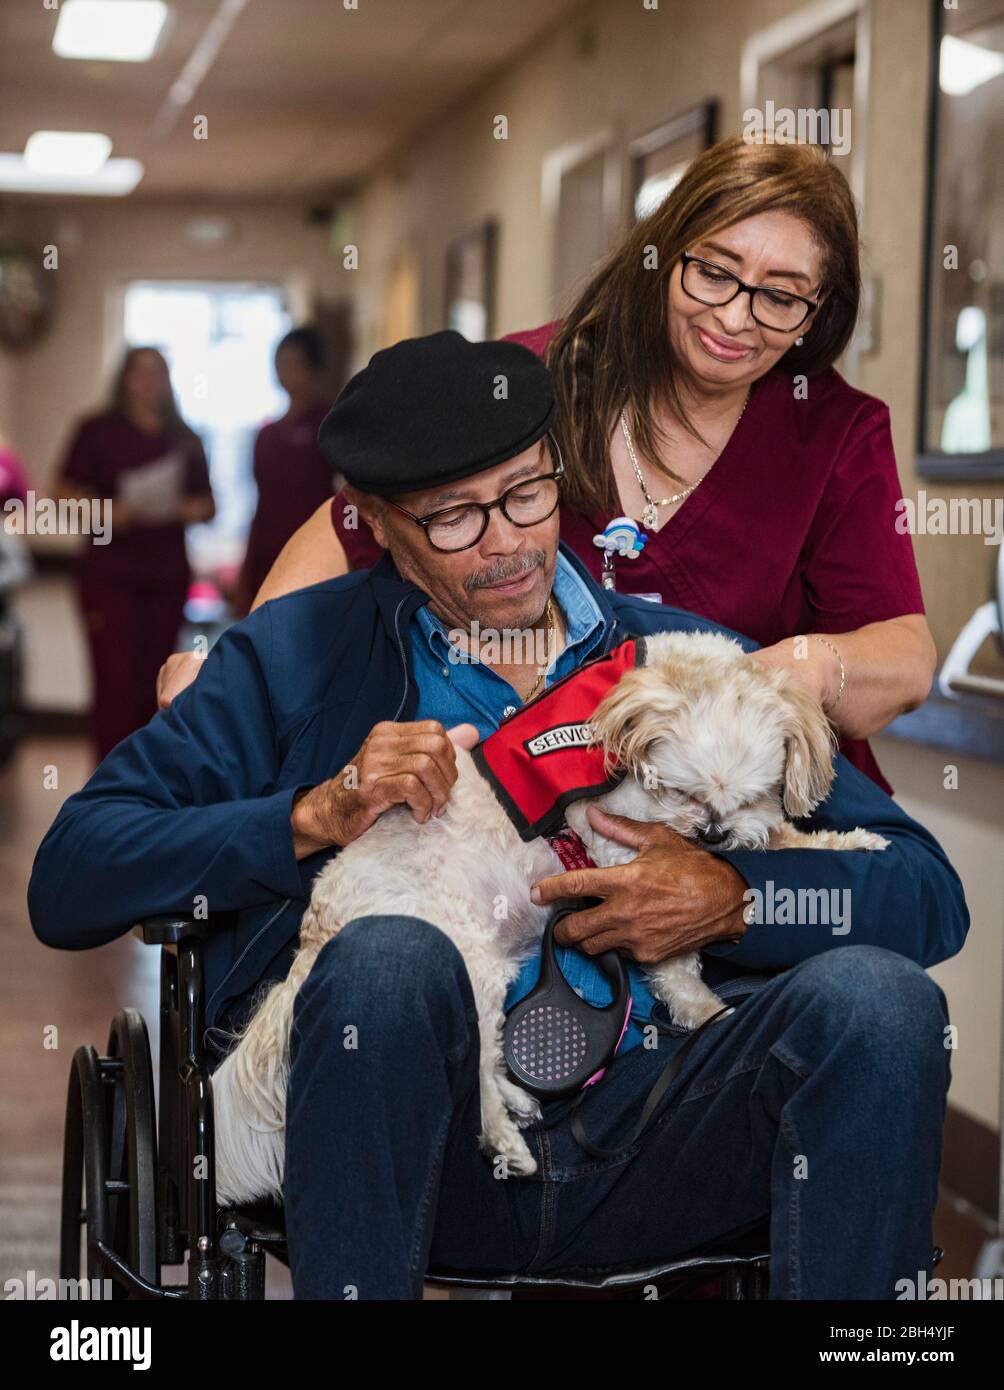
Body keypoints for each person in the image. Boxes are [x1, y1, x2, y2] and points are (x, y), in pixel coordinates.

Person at [29, 332, 968, 1300]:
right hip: (408, 1141)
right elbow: (72, 877)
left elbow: (927, 897)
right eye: (451, 518)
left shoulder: (681, 663)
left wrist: (738, 900)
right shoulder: (289, 661)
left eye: (526, 492)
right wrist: (311, 813)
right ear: (375, 523)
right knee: (390, 955)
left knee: (881, 1002)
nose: (506, 541)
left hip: (663, 1131)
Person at [162, 136, 933, 794]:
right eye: (716, 272)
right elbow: (356, 524)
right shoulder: (536, 378)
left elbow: (905, 657)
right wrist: (228, 672)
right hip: (523, 790)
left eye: (781, 296)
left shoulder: (835, 430)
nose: (736, 317)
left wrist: (803, 668)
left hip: (737, 802)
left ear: (819, 311)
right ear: (664, 253)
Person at [54, 346, 215, 760]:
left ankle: (146, 787)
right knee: (114, 683)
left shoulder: (184, 437)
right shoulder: (96, 431)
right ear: (123, 379)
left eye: (158, 373)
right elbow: (59, 497)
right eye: (139, 373)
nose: (149, 382)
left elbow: (209, 504)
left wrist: (183, 508)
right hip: (109, 576)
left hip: (165, 577)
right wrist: (108, 511)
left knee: (157, 683)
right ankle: (106, 788)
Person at [234, 327, 335, 616]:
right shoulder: (267, 435)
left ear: (313, 367)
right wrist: (245, 573)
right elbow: (260, 505)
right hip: (267, 551)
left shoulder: (329, 425)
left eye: (296, 362)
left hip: (316, 553)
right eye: (281, 362)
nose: (287, 371)